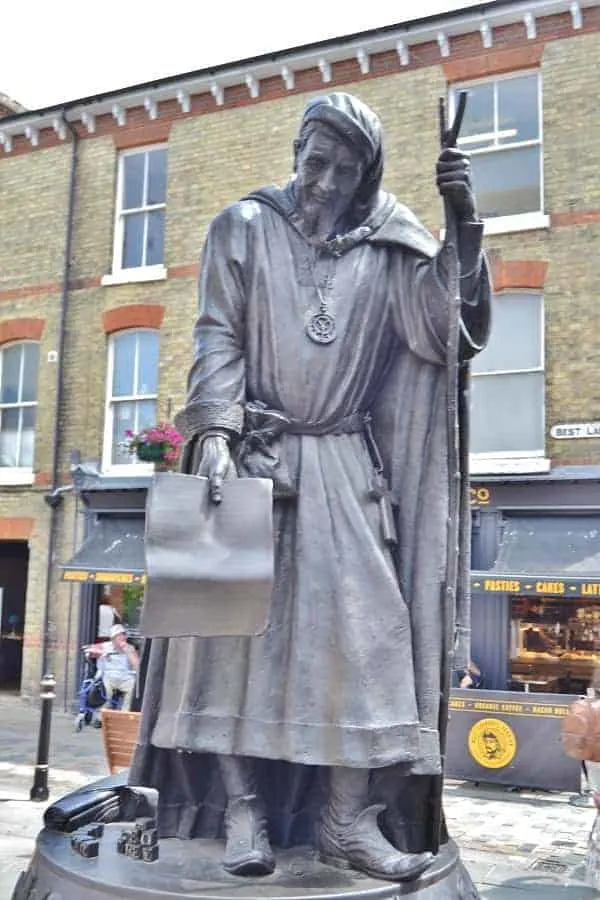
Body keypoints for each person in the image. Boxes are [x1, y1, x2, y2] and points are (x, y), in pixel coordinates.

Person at [131, 92, 490, 882]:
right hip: (250, 452)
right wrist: (214, 433)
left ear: (366, 176)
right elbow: (216, 332)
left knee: (369, 638)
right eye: (315, 159)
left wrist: (462, 222)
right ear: (298, 150)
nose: (323, 179)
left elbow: (441, 330)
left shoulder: (390, 246)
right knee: (227, 641)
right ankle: (243, 812)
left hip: (341, 467)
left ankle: (344, 822)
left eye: (344, 168)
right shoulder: (244, 226)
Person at [94, 624, 139, 712]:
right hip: (107, 676)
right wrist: (100, 652)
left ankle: (124, 713)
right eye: (119, 636)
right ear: (113, 639)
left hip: (125, 677)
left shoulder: (130, 648)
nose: (123, 637)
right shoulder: (105, 646)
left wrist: (129, 653)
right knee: (105, 691)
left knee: (133, 688)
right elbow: (90, 650)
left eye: (123, 635)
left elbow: (137, 666)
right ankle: (101, 715)